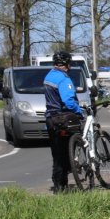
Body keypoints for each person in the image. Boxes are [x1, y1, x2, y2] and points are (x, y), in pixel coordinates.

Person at [43, 51, 85, 193]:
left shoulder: (49, 76)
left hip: (50, 118)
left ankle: (59, 185)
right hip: (63, 118)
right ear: (68, 64)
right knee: (66, 150)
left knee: (56, 153)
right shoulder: (64, 79)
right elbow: (68, 101)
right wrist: (79, 112)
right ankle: (65, 180)